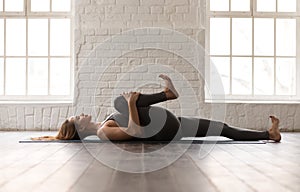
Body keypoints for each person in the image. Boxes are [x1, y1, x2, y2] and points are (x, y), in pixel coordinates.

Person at [33, 74, 281, 142]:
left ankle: (268, 135)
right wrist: (130, 103)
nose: (81, 114)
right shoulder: (103, 132)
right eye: (77, 117)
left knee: (222, 128)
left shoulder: (102, 123)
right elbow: (135, 132)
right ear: (80, 127)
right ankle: (167, 94)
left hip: (170, 122)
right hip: (166, 130)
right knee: (121, 102)